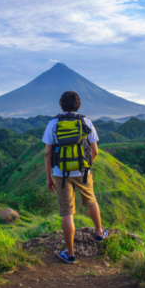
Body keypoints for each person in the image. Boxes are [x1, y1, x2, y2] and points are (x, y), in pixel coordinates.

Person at [42, 91, 107, 264]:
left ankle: (70, 254)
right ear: (78, 105)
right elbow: (95, 151)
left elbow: (48, 154)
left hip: (60, 173)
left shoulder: (53, 123)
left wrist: (49, 177)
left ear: (61, 105)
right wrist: (85, 166)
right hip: (83, 172)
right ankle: (99, 233)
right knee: (91, 201)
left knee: (67, 213)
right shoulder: (85, 121)